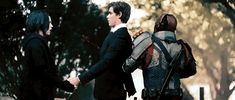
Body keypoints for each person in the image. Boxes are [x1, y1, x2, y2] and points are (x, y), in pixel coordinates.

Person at [69, 1, 136, 100]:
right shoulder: (114, 33)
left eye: (110, 13)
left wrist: (80, 79)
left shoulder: (121, 35)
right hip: (105, 92)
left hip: (112, 94)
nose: (107, 16)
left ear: (119, 14)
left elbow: (106, 61)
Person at [122, 14, 196, 100]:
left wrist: (135, 44)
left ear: (157, 25)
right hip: (175, 97)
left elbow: (127, 67)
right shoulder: (182, 47)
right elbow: (191, 70)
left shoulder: (147, 42)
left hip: (153, 97)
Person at [19, 10, 77, 100]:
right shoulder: (35, 44)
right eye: (49, 22)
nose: (51, 26)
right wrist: (65, 85)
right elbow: (43, 73)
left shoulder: (36, 43)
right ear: (40, 23)